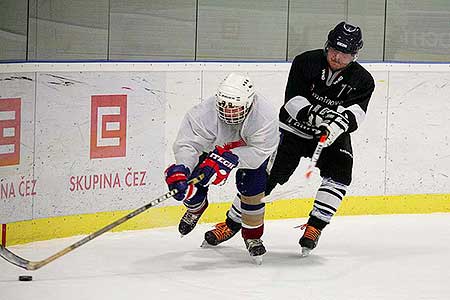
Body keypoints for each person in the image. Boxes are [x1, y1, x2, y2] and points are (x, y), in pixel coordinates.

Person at [265, 21, 375, 256]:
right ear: (327, 45)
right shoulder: (305, 61)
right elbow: (292, 100)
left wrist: (338, 125)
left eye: (344, 53)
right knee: (268, 173)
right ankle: (233, 223)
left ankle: (315, 227)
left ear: (355, 55)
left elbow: (357, 112)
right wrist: (314, 116)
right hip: (293, 129)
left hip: (329, 137)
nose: (337, 57)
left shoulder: (364, 80)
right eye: (334, 49)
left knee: (341, 171)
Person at [165, 73, 279, 262]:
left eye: (235, 107)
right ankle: (195, 208)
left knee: (253, 187)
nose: (228, 111)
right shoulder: (202, 113)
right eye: (224, 105)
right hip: (212, 149)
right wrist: (183, 167)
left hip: (248, 152)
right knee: (190, 183)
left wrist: (230, 159)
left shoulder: (265, 115)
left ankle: (252, 236)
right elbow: (188, 144)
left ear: (249, 103)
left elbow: (261, 152)